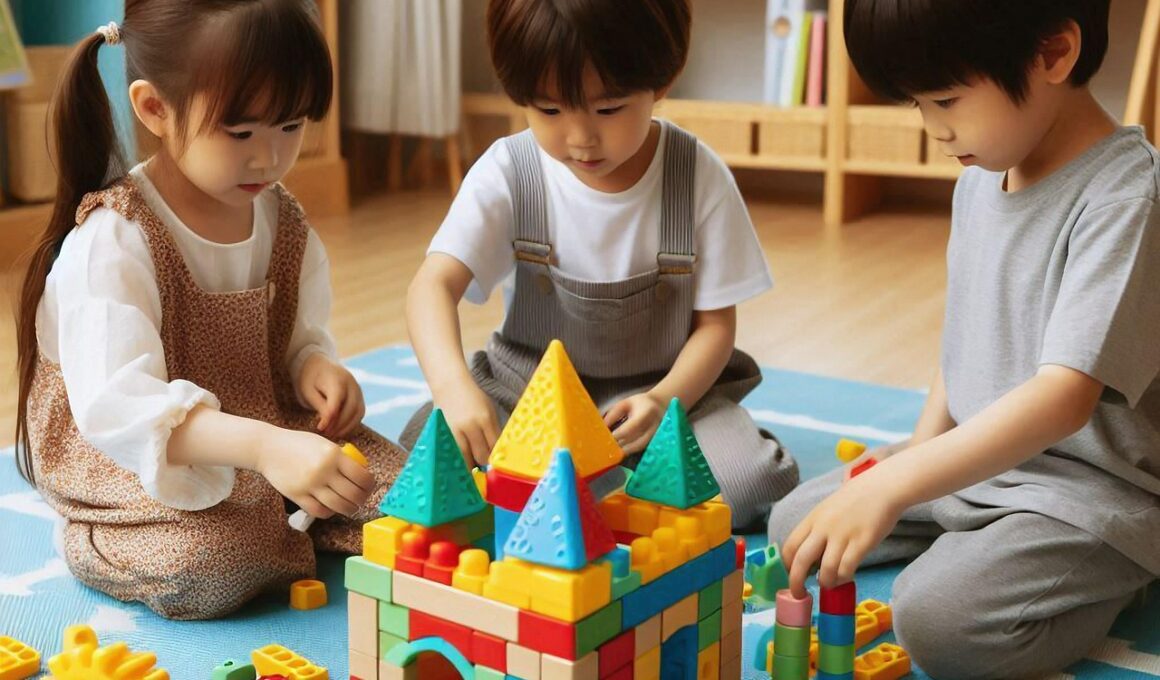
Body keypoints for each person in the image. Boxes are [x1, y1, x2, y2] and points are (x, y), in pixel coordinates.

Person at [769, 1, 1160, 676]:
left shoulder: (1127, 198)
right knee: (794, 527)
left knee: (937, 622)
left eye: (946, 100)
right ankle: (978, 542)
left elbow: (1064, 398)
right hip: (980, 461)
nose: (934, 129)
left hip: (1083, 494)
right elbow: (966, 338)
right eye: (917, 105)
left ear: (1053, 54)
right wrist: (917, 458)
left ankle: (1120, 570)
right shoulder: (980, 175)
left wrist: (896, 485)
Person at [13, 0, 406, 620]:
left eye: (290, 126)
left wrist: (314, 367)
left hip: (262, 420)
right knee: (214, 566)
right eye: (241, 133)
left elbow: (297, 337)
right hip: (141, 452)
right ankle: (96, 535)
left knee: (408, 502)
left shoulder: (282, 218)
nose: (269, 158)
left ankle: (276, 509)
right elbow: (121, 410)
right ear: (155, 109)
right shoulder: (116, 239)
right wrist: (267, 449)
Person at [402, 0, 799, 529]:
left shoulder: (695, 175)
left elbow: (716, 328)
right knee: (428, 453)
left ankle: (598, 482)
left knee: (747, 481)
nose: (581, 138)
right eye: (549, 110)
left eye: (608, 109)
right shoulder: (510, 170)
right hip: (527, 392)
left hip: (664, 394)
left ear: (662, 79)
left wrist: (663, 401)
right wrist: (453, 388)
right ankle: (613, 489)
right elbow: (431, 286)